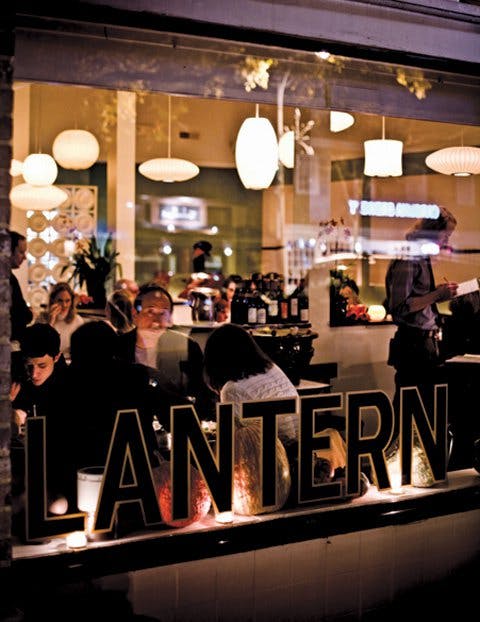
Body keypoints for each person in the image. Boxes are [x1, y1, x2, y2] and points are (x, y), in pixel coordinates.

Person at [385, 205, 459, 441]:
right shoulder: (409, 258)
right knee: (409, 412)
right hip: (413, 346)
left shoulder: (421, 257)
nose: (446, 240)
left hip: (424, 347)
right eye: (445, 235)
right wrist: (437, 295)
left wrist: (439, 294)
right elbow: (399, 307)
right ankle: (397, 465)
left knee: (424, 412)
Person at [116, 283, 218, 421]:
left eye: (163, 313)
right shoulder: (117, 346)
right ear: (135, 314)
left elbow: (203, 395)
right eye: (150, 311)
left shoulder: (186, 347)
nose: (157, 321)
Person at [203, 323, 299, 445]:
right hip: (302, 442)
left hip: (278, 450)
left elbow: (235, 439)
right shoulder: (272, 368)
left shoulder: (232, 388)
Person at [12, 323, 70, 519]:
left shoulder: (69, 386)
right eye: (29, 366)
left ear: (57, 357)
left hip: (55, 471)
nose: (34, 374)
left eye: (42, 366)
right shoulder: (15, 376)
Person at [38, 281, 84, 360]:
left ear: (72, 301)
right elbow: (41, 346)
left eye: (67, 300)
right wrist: (51, 320)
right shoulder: (42, 318)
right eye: (60, 300)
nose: (64, 305)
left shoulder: (78, 320)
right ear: (53, 301)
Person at [9, 231, 33, 349]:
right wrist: (30, 313)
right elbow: (21, 315)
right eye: (21, 252)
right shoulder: (8, 279)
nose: (25, 257)